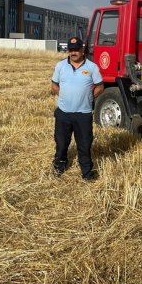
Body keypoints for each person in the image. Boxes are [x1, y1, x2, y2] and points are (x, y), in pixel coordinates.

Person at [50, 36, 104, 180]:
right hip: (63, 113)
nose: (73, 52)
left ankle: (87, 173)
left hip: (83, 114)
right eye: (71, 50)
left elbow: (100, 86)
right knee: (61, 144)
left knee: (84, 145)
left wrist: (90, 97)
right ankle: (59, 168)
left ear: (82, 50)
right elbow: (54, 84)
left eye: (76, 50)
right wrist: (62, 94)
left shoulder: (92, 67)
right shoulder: (60, 66)